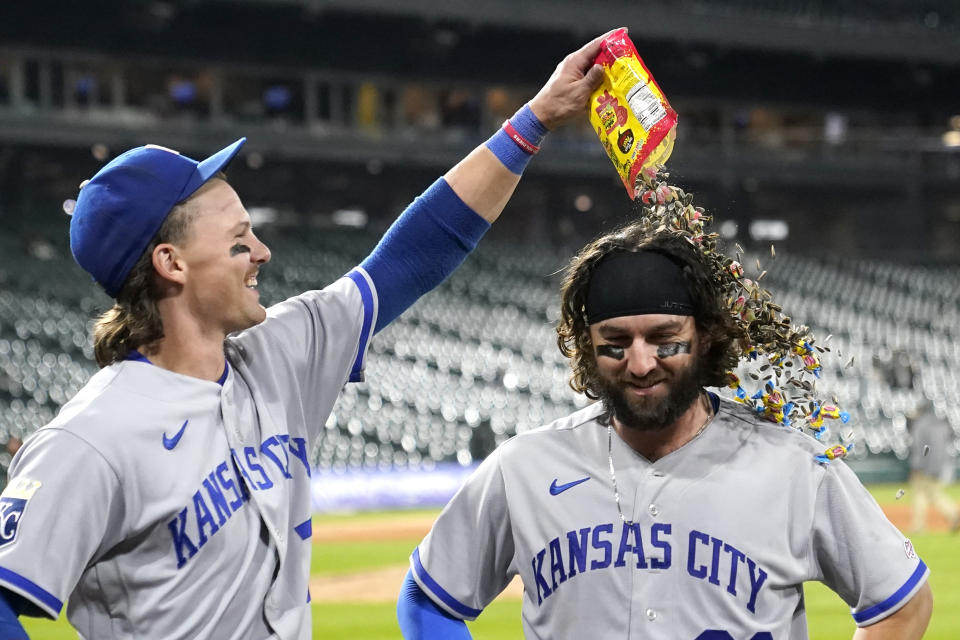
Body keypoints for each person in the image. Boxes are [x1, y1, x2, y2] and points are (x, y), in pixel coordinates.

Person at [0, 31, 613, 639]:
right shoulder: (90, 439)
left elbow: (415, 253)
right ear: (171, 264)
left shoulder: (281, 353)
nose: (262, 252)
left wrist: (535, 119)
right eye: (240, 240)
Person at [398, 226, 933, 639]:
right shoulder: (525, 467)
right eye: (614, 341)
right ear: (585, 345)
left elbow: (902, 600)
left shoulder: (794, 465)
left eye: (664, 338)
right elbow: (428, 596)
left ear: (706, 336)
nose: (639, 362)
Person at [908, 398, 959, 532]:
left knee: (921, 494)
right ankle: (952, 515)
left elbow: (918, 446)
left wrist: (917, 465)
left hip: (923, 466)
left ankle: (919, 526)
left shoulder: (920, 425)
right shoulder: (941, 425)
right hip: (940, 466)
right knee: (931, 494)